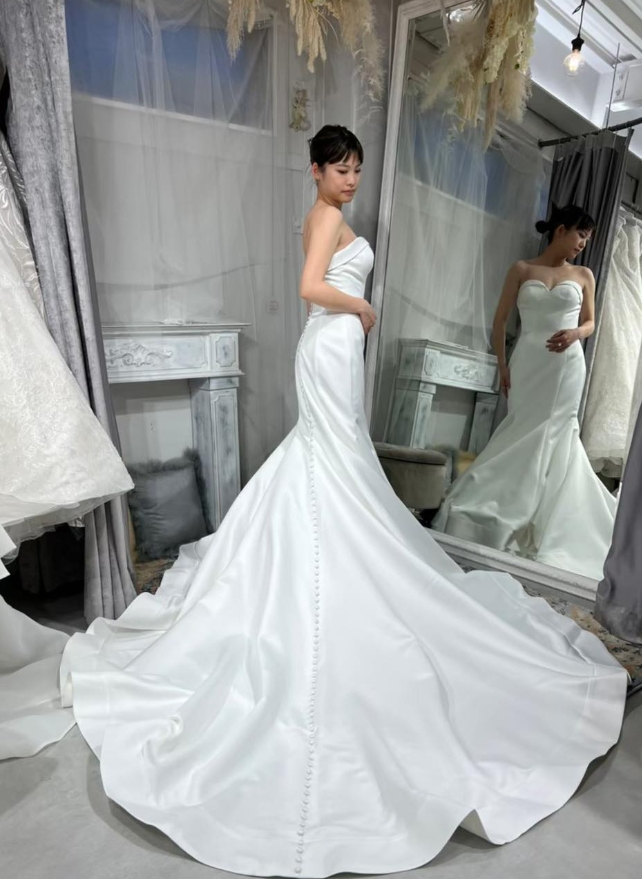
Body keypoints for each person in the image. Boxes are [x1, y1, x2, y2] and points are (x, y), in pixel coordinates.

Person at [50, 135, 626, 877]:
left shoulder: (332, 214)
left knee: (333, 461)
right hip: (328, 346)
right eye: (340, 168)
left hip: (336, 349)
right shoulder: (322, 216)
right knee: (327, 462)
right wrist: (359, 305)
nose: (351, 179)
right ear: (316, 170)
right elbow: (308, 288)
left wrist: (354, 315)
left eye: (357, 169)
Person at [433, 205, 616, 580]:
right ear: (561, 230)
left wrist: (575, 334)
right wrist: (502, 365)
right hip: (527, 363)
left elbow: (590, 322)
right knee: (521, 428)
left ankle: (548, 517)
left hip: (566, 366)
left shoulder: (583, 275)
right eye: (581, 235)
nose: (583, 243)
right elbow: (500, 320)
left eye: (588, 238)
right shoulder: (521, 269)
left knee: (557, 432)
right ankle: (502, 503)